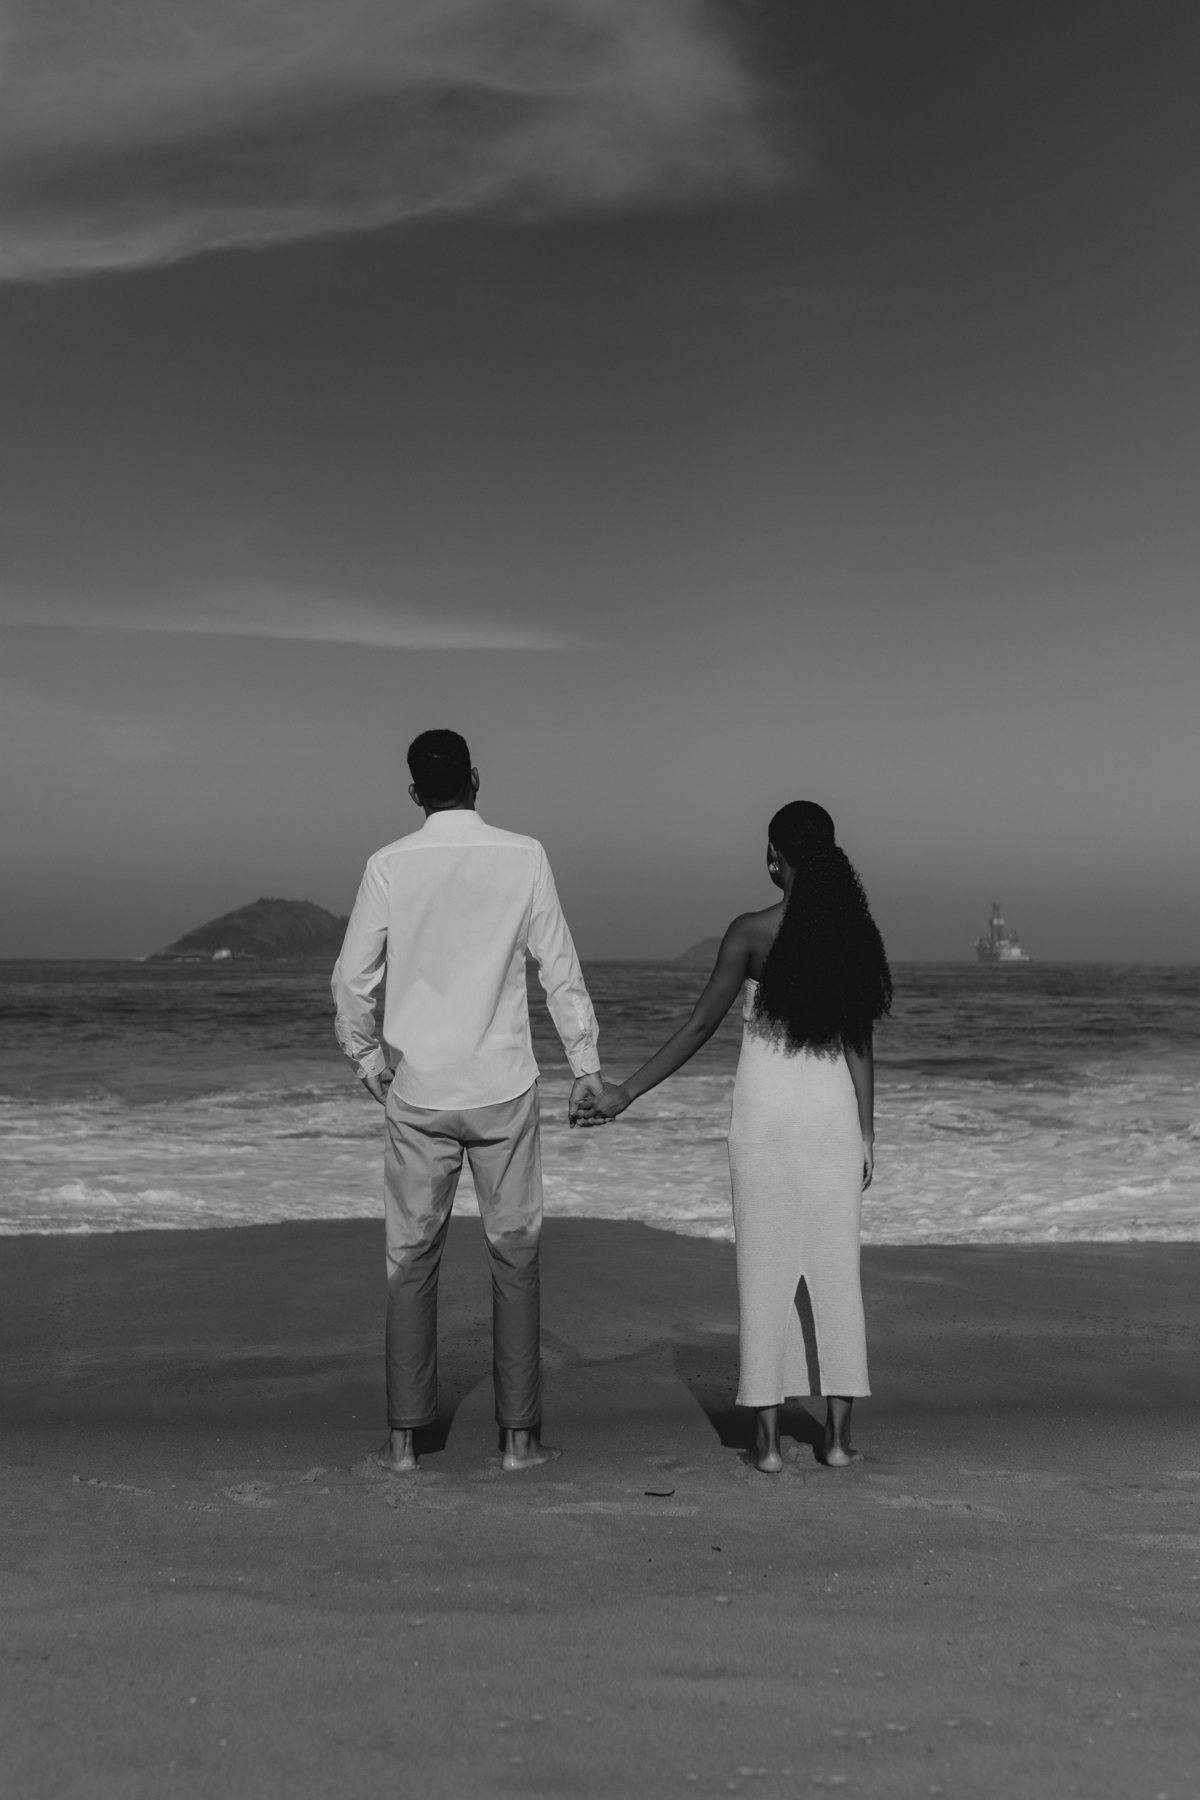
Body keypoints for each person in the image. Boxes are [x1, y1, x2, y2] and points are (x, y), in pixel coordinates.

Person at [579, 801, 891, 1473]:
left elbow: (699, 1027)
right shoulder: (854, 935)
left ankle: (769, 1445)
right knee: (838, 1275)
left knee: (764, 1271)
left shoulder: (750, 932)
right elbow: (858, 1042)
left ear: (776, 856)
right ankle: (837, 1441)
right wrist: (868, 1131)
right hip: (833, 1121)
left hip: (764, 1121)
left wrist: (625, 1092)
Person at [331, 729, 605, 1473]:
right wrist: (584, 1063)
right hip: (502, 1086)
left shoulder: (388, 865)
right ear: (475, 780)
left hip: (419, 1091)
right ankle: (519, 1442)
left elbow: (351, 981)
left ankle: (403, 1443)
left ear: (414, 792)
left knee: (410, 1260)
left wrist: (367, 1061)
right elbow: (559, 967)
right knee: (515, 1259)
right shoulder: (525, 855)